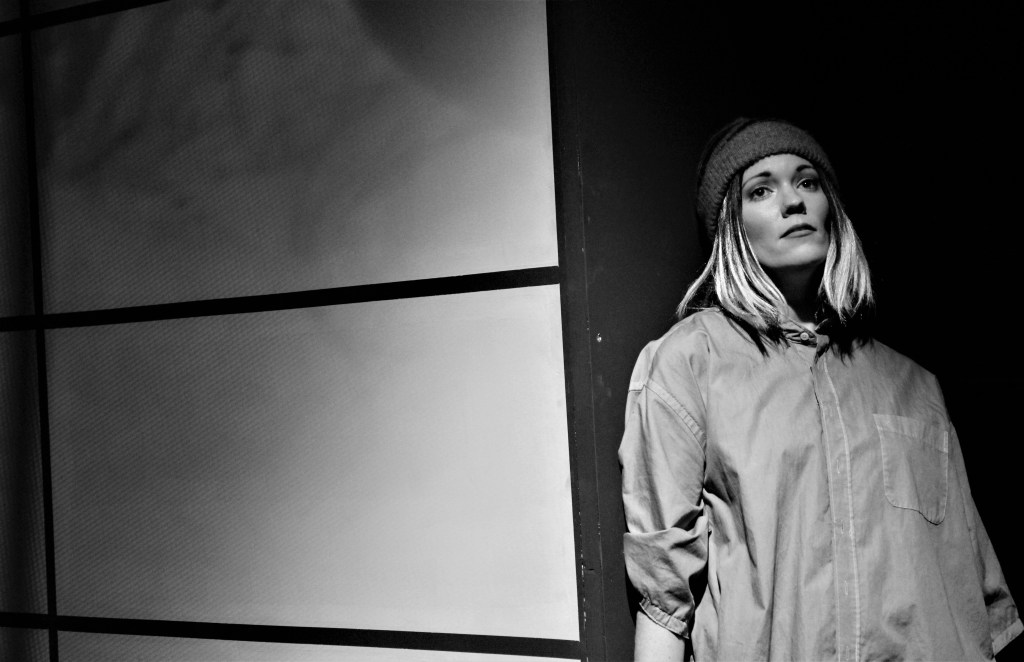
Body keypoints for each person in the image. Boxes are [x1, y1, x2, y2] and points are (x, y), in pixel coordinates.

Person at [619, 118, 1021, 661]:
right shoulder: (691, 361)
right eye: (761, 190)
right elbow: (664, 596)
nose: (793, 201)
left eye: (807, 182)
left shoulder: (915, 385)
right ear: (731, 227)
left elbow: (977, 592)